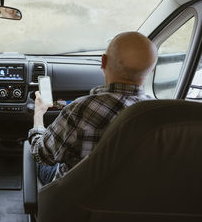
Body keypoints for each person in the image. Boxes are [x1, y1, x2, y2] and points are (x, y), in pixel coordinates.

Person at [29, 31, 158, 185]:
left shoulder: (80, 109)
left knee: (36, 150)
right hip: (132, 200)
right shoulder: (159, 114)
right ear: (152, 70)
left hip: (75, 199)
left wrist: (38, 117)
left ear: (103, 62)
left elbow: (42, 155)